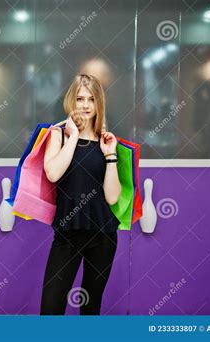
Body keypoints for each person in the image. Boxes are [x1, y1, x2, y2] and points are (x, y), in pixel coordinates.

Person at [41, 74, 122, 315]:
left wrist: (111, 155)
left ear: (99, 104)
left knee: (90, 308)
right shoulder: (57, 134)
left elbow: (112, 197)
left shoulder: (106, 141)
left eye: (91, 99)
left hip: (103, 235)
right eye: (79, 99)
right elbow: (53, 173)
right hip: (68, 232)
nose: (85, 105)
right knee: (51, 309)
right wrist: (74, 137)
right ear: (71, 102)